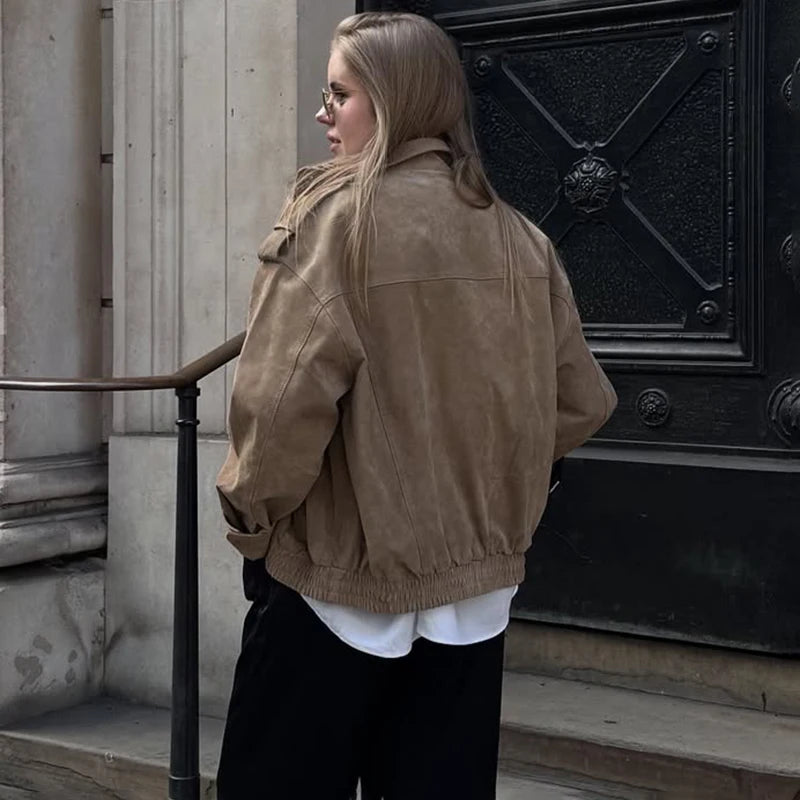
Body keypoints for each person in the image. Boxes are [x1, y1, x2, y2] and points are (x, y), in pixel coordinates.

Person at [215, 11, 616, 800]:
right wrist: (493, 502)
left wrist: (252, 527)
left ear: (394, 99)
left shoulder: (335, 224)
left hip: (336, 584)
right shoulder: (519, 238)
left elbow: (278, 410)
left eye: (340, 95)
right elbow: (579, 400)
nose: (323, 115)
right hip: (474, 594)